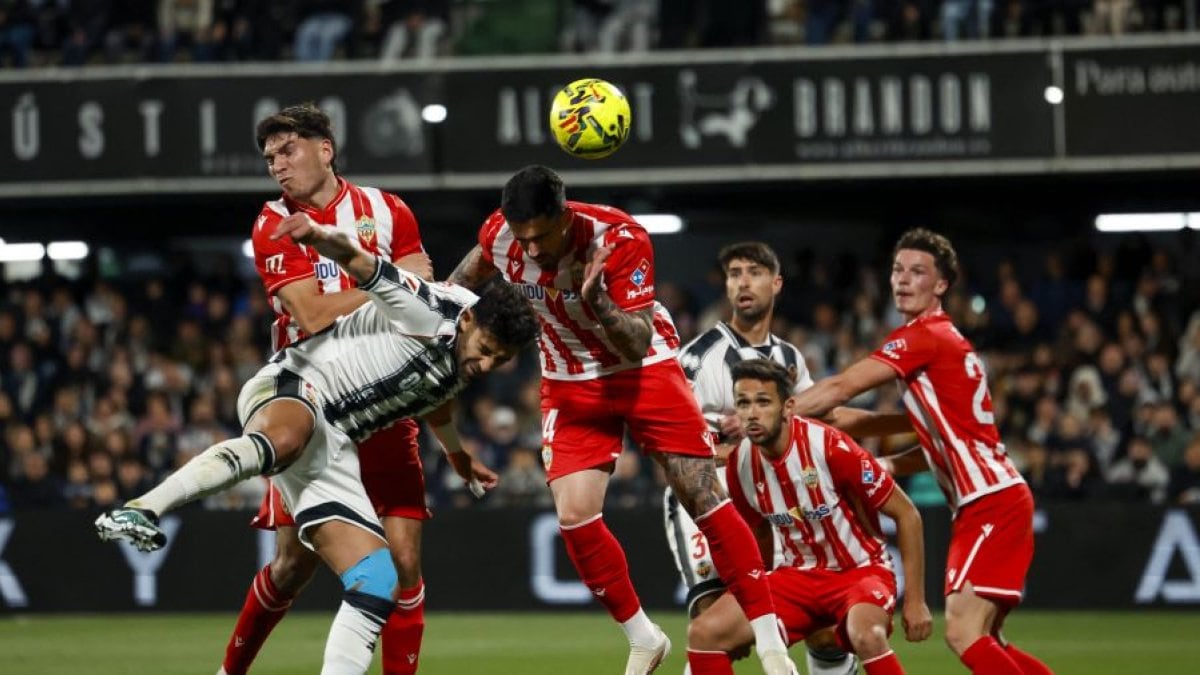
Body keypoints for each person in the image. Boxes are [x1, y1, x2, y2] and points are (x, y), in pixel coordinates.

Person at [97, 216, 539, 675]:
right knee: (285, 440)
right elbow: (362, 264)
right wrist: (319, 237)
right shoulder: (425, 306)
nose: (487, 364)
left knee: (378, 581)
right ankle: (142, 508)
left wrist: (457, 455)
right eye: (487, 348)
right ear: (467, 320)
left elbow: (435, 399)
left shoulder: (464, 358)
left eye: (501, 359)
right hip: (294, 384)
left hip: (335, 444)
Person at [448, 165, 798, 675]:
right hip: (568, 379)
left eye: (542, 237)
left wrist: (598, 302)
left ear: (564, 217)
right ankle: (644, 637)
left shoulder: (620, 238)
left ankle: (770, 642)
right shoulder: (500, 235)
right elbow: (462, 282)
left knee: (702, 494)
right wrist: (434, 315)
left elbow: (635, 342)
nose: (534, 250)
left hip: (643, 369)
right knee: (574, 515)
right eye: (523, 240)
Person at [228, 102, 436, 675]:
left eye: (287, 150)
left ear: (326, 149)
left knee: (405, 564)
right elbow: (313, 315)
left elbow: (425, 300)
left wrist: (404, 288)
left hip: (387, 399)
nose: (277, 164)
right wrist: (389, 283)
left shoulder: (388, 210)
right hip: (312, 403)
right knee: (292, 566)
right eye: (270, 157)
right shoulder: (273, 222)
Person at [790, 228, 1054, 675]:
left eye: (918, 272)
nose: (903, 280)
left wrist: (778, 414)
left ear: (942, 285)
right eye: (898, 270)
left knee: (963, 632)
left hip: (990, 501)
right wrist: (885, 463)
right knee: (988, 638)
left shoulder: (923, 336)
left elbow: (841, 387)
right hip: (992, 497)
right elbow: (939, 444)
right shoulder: (945, 340)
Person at [669, 242, 908, 675]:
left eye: (755, 272)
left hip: (768, 500)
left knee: (818, 624)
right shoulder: (700, 358)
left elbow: (827, 415)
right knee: (716, 619)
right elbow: (673, 443)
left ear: (776, 283)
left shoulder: (788, 357)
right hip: (707, 501)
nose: (744, 282)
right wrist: (729, 456)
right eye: (735, 274)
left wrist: (907, 423)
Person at [686, 359, 932, 674]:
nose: (752, 413)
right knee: (705, 633)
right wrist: (754, 608)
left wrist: (915, 601)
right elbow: (759, 534)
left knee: (867, 635)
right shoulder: (741, 464)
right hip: (796, 576)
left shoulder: (830, 446)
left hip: (859, 573)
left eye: (763, 402)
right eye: (743, 404)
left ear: (788, 407)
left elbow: (907, 514)